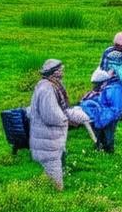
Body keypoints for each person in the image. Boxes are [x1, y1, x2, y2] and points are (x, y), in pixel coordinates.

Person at [28, 59, 89, 190]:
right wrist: (67, 120)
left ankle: (46, 189)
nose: (63, 72)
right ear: (54, 72)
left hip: (49, 138)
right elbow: (51, 115)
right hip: (47, 139)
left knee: (54, 165)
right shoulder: (47, 89)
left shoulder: (50, 85)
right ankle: (55, 196)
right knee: (53, 173)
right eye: (61, 70)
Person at [79, 68, 122, 153]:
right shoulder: (104, 88)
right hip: (103, 116)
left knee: (108, 136)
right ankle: (99, 149)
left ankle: (109, 152)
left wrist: (102, 118)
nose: (94, 86)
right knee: (99, 135)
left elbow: (116, 109)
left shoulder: (114, 89)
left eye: (96, 84)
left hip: (109, 117)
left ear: (104, 82)